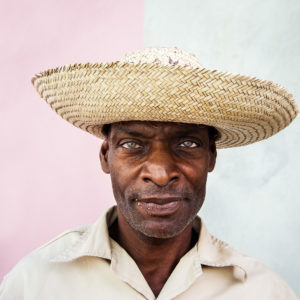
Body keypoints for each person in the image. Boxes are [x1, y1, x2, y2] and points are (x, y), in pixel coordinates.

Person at [0, 47, 298, 299]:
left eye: (187, 143)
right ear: (106, 156)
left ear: (211, 156)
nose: (160, 173)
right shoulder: (36, 284)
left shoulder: (263, 291)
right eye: (132, 144)